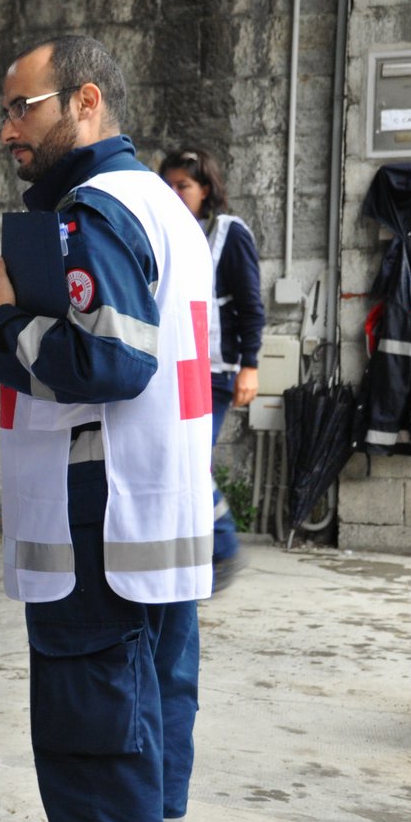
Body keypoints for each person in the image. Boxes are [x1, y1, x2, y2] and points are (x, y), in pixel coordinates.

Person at [0, 35, 213, 822]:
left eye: (20, 108)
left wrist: (2, 321)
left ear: (83, 102)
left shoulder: (94, 211)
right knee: (151, 726)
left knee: (95, 736)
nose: (7, 131)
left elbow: (110, 362)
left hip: (98, 525)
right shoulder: (162, 205)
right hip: (157, 517)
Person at [159, 147, 265, 585]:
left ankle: (221, 547)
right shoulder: (168, 233)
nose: (174, 193)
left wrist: (250, 366)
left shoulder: (228, 233)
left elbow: (250, 306)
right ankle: (196, 551)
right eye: (168, 185)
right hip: (177, 371)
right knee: (176, 460)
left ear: (206, 189)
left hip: (215, 372)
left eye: (183, 185)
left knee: (190, 462)